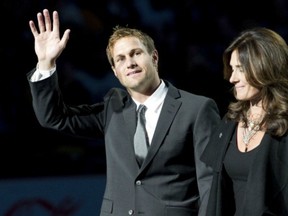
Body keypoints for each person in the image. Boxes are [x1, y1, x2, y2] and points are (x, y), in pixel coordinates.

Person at [27, 9, 220, 216]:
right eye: (120, 59)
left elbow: (211, 183)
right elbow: (54, 118)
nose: (129, 63)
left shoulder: (197, 109)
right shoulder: (114, 107)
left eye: (136, 53)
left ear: (154, 57)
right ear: (115, 72)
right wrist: (46, 63)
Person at [201, 27, 288, 215]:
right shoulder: (230, 121)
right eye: (232, 69)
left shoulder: (285, 123)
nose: (232, 78)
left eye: (240, 69)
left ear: (264, 66)